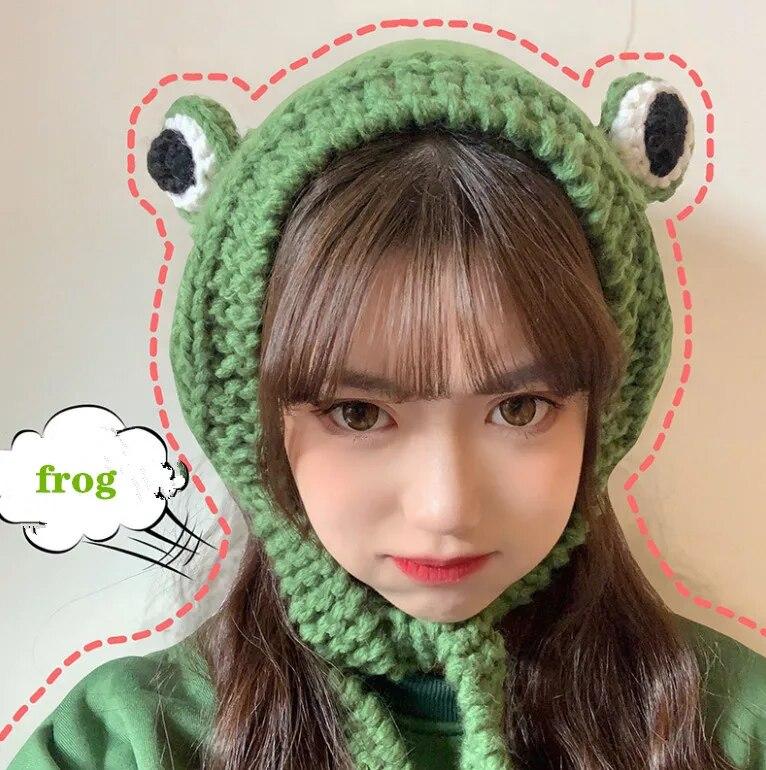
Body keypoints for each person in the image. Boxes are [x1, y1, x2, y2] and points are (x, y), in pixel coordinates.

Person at [7, 37, 765, 770]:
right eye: (359, 413)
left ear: (604, 413)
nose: (445, 508)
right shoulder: (122, 745)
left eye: (521, 408)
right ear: (255, 429)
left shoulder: (734, 729)